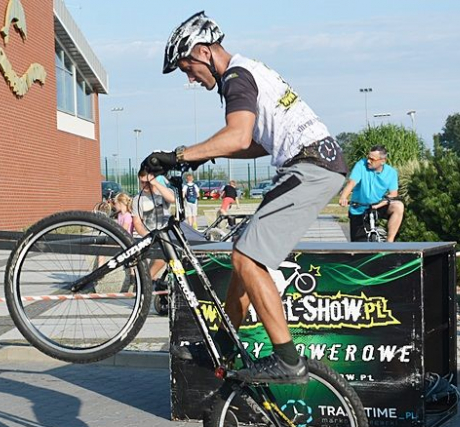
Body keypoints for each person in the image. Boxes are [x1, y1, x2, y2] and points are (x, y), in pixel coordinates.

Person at [142, 11, 348, 384]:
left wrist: (178, 155)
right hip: (314, 163)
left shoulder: (236, 78)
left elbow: (237, 135)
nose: (189, 78)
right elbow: (254, 143)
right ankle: (222, 345)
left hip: (310, 165)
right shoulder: (247, 72)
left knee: (246, 258)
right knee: (243, 254)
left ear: (204, 52)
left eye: (187, 67)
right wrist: (204, 154)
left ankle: (287, 359)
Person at [338, 145, 404, 242]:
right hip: (359, 208)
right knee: (359, 247)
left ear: (383, 161)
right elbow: (351, 183)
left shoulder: (391, 172)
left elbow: (393, 194)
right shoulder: (361, 165)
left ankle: (389, 243)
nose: (368, 161)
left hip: (379, 205)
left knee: (398, 206)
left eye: (372, 159)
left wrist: (380, 204)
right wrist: (344, 197)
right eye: (368, 157)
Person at [132, 168, 176, 284]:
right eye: (142, 182)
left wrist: (155, 183)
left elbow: (172, 199)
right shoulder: (137, 199)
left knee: (162, 256)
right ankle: (145, 281)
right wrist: (148, 236)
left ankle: (146, 281)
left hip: (165, 235)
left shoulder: (162, 193)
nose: (145, 185)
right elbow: (137, 222)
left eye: (147, 182)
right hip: (149, 235)